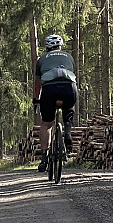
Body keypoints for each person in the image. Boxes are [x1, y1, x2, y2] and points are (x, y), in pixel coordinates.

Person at [33, 34, 78, 173]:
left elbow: (38, 84)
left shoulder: (41, 60)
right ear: (61, 46)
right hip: (69, 88)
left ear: (47, 47)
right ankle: (68, 133)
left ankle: (44, 159)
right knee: (69, 107)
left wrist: (36, 99)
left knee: (46, 124)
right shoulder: (69, 57)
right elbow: (74, 77)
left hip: (49, 90)